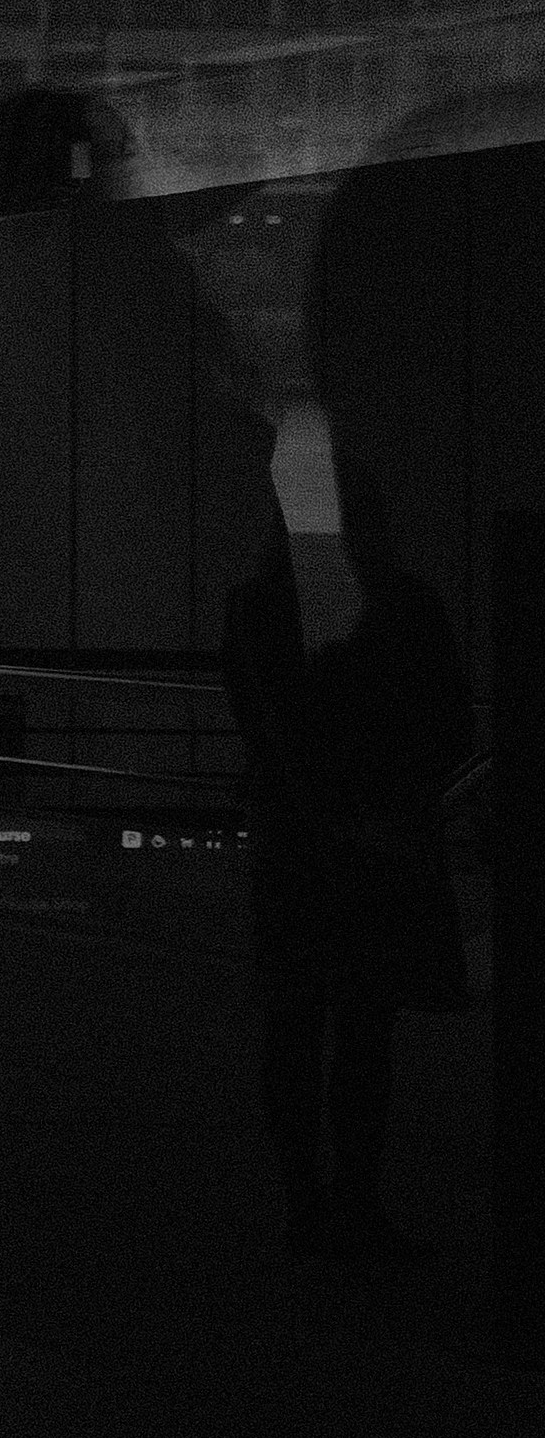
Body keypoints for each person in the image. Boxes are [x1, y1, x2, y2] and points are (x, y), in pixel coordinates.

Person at [218, 516, 476, 1272]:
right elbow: (450, 719)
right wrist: (391, 801)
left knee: (295, 1021)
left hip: (297, 844)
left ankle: (305, 1208)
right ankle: (358, 1202)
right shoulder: (409, 603)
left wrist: (323, 804)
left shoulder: (258, 605)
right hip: (389, 842)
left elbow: (270, 726)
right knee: (368, 1027)